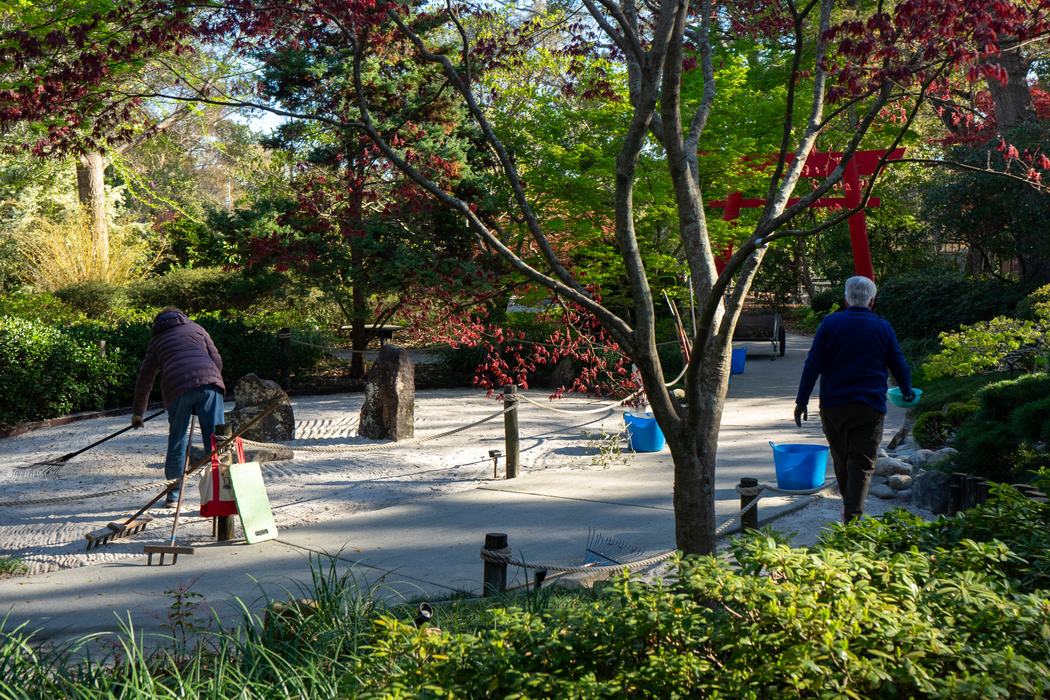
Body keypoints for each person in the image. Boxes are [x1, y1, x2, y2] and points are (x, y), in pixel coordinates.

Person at [794, 276, 913, 522]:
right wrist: (907, 389)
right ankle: (852, 516)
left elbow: (812, 364)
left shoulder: (830, 324)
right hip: (869, 406)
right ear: (872, 300)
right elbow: (898, 363)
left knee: (841, 457)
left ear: (846, 299)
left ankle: (849, 509)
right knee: (862, 462)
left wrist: (802, 400)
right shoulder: (883, 327)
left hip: (833, 405)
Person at [131, 307, 226, 506]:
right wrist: (208, 383)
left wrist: (138, 413)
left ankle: (173, 496)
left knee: (178, 440)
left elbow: (145, 378)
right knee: (216, 440)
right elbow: (216, 359)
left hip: (176, 387)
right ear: (182, 316)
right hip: (209, 382)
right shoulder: (197, 328)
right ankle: (224, 491)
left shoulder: (157, 340)